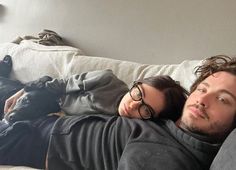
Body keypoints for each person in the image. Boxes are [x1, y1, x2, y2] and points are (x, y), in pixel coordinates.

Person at [1, 55, 236, 170]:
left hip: (37, 141)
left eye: (223, 99)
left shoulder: (167, 156)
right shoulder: (167, 123)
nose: (203, 99)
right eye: (202, 89)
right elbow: (59, 84)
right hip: (46, 119)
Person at [4, 69, 188, 122]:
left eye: (145, 110)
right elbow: (59, 84)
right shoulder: (106, 80)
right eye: (138, 94)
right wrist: (24, 91)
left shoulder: (123, 126)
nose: (133, 105)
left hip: (52, 117)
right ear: (135, 84)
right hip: (46, 96)